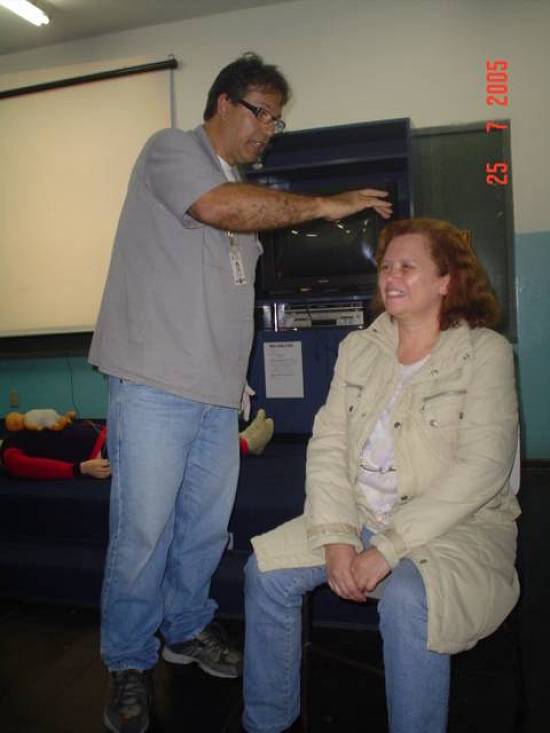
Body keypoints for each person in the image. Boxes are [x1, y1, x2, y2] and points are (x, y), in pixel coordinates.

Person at [88, 52, 391, 733]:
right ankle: (128, 659)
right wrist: (326, 204)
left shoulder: (237, 186)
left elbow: (226, 294)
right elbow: (216, 209)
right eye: (263, 114)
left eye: (277, 121)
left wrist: (238, 381)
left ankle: (186, 627)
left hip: (217, 391)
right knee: (143, 532)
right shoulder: (171, 151)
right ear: (223, 102)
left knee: (204, 527)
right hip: (153, 382)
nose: (269, 131)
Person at [242, 218, 520, 733]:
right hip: (362, 514)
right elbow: (327, 447)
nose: (391, 276)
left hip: (454, 527)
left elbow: (483, 469)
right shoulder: (359, 348)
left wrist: (388, 548)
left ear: (447, 280)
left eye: (408, 266)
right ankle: (268, 723)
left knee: (408, 599)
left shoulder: (485, 353)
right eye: (387, 266)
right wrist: (335, 537)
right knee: (264, 573)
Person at [0, 409, 274, 480]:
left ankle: (237, 439)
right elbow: (33, 467)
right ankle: (245, 444)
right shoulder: (9, 454)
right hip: (104, 453)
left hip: (108, 436)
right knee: (175, 449)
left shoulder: (15, 431)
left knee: (174, 429)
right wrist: (81, 469)